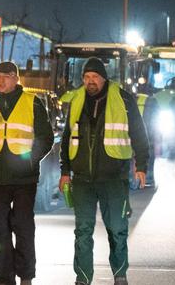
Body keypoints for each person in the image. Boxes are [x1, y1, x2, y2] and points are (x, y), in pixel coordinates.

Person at [59, 57, 150, 285]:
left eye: (95, 77)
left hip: (113, 178)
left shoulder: (123, 99)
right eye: (86, 77)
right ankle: (82, 277)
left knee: (117, 229)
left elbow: (139, 134)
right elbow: (66, 139)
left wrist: (141, 167)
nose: (90, 82)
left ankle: (120, 274)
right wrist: (65, 171)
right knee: (82, 232)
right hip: (82, 180)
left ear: (103, 78)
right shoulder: (76, 100)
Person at [0, 61, 54, 285]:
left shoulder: (32, 103)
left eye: (6, 76)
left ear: (16, 79)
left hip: (24, 179)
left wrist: (30, 160)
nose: (1, 81)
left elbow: (45, 137)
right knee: (0, 232)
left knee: (24, 228)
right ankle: (4, 278)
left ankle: (26, 276)